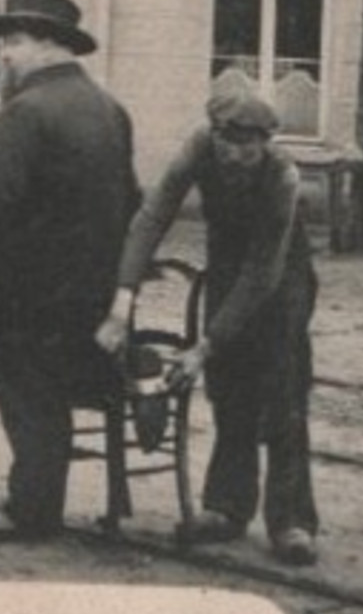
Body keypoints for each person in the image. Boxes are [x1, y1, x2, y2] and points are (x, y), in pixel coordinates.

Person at [0, 0, 138, 541]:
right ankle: (41, 501)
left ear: (50, 45)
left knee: (27, 394)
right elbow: (132, 201)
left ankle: (31, 509)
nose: (5, 54)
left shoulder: (25, 111)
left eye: (14, 41)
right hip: (90, 299)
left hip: (26, 297)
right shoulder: (110, 109)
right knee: (47, 391)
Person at [96, 84, 319, 566]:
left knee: (282, 394)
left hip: (283, 281)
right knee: (230, 387)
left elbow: (264, 272)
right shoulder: (198, 149)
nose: (239, 155)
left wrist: (204, 345)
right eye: (230, 144)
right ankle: (226, 507)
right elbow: (151, 218)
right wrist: (122, 300)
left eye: (251, 146)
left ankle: (292, 521)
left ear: (265, 143)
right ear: (215, 135)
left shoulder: (282, 175)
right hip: (225, 269)